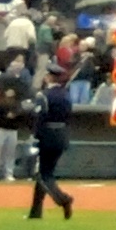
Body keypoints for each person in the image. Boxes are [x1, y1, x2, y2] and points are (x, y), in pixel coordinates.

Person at [25, 59, 78, 221]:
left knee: (43, 175)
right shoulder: (66, 95)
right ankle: (36, 211)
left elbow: (39, 119)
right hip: (62, 135)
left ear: (48, 77)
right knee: (46, 172)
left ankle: (63, 199)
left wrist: (35, 138)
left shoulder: (44, 95)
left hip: (47, 136)